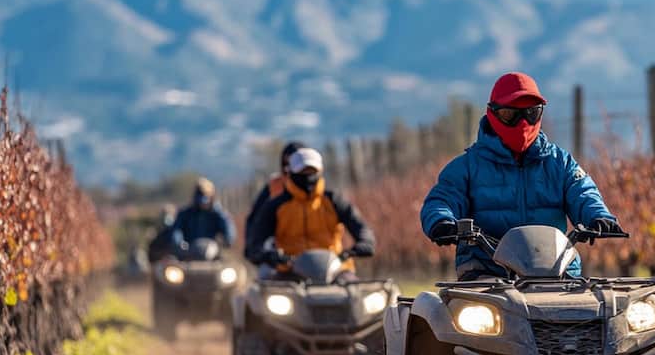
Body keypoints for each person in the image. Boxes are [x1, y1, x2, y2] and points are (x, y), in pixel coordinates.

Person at [420, 71, 623, 280]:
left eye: (531, 113)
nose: (522, 123)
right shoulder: (467, 167)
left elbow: (583, 192)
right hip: (486, 273)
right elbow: (442, 199)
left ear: (541, 113)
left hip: (556, 272)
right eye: (511, 114)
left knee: (598, 310)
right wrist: (442, 221)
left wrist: (599, 216)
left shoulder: (560, 163)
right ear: (492, 114)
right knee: (456, 310)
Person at [246, 147, 375, 280]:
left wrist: (364, 243)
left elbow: (361, 227)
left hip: (336, 270)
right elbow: (256, 241)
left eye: (312, 171)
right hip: (290, 272)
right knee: (267, 295)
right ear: (290, 173)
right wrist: (267, 255)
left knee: (360, 296)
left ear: (320, 172)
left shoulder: (334, 201)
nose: (308, 176)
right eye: (303, 172)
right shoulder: (275, 206)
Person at [245, 141, 304, 244]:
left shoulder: (320, 193)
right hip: (280, 249)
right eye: (286, 164)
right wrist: (252, 245)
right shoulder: (274, 186)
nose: (289, 169)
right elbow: (255, 218)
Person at [171, 178, 237, 251]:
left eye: (206, 199)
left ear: (212, 197)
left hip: (210, 249)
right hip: (189, 249)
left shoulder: (218, 214)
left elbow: (228, 229)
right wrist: (179, 242)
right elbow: (176, 230)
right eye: (200, 198)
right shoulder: (186, 213)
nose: (203, 204)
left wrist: (228, 240)